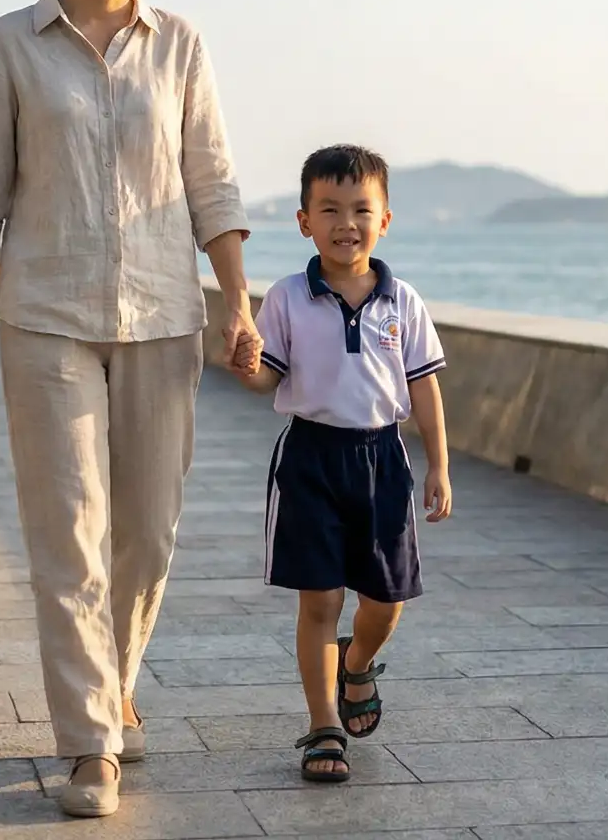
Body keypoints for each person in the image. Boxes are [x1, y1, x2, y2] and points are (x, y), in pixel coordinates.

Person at [0, 0, 256, 819]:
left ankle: (116, 681)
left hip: (164, 313)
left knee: (147, 537)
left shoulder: (182, 43)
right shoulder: (10, 44)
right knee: (69, 534)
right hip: (46, 316)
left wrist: (236, 297)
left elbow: (214, 181)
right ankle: (90, 744)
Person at [235, 145, 453, 783]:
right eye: (328, 208)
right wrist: (245, 362)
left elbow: (425, 388)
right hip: (310, 457)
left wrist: (438, 465)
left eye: (361, 209)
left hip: (383, 458)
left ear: (384, 220)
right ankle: (323, 723)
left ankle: (356, 663)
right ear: (304, 220)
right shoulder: (285, 298)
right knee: (320, 600)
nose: (345, 222)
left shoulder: (402, 302)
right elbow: (266, 377)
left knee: (385, 601)